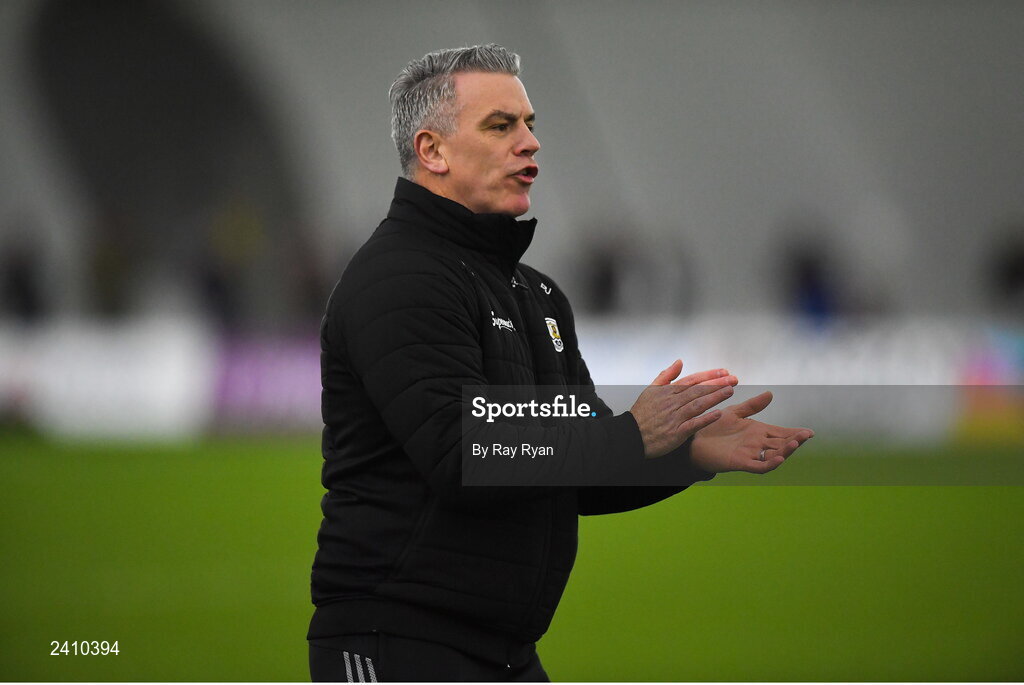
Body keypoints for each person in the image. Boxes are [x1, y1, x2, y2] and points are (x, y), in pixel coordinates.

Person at [308, 44, 813, 682]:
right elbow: (463, 451)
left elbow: (573, 467)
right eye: (501, 126)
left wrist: (685, 453)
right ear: (432, 150)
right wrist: (630, 432)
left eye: (530, 124)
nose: (530, 144)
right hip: (399, 644)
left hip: (506, 655)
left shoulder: (538, 295)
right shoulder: (399, 277)